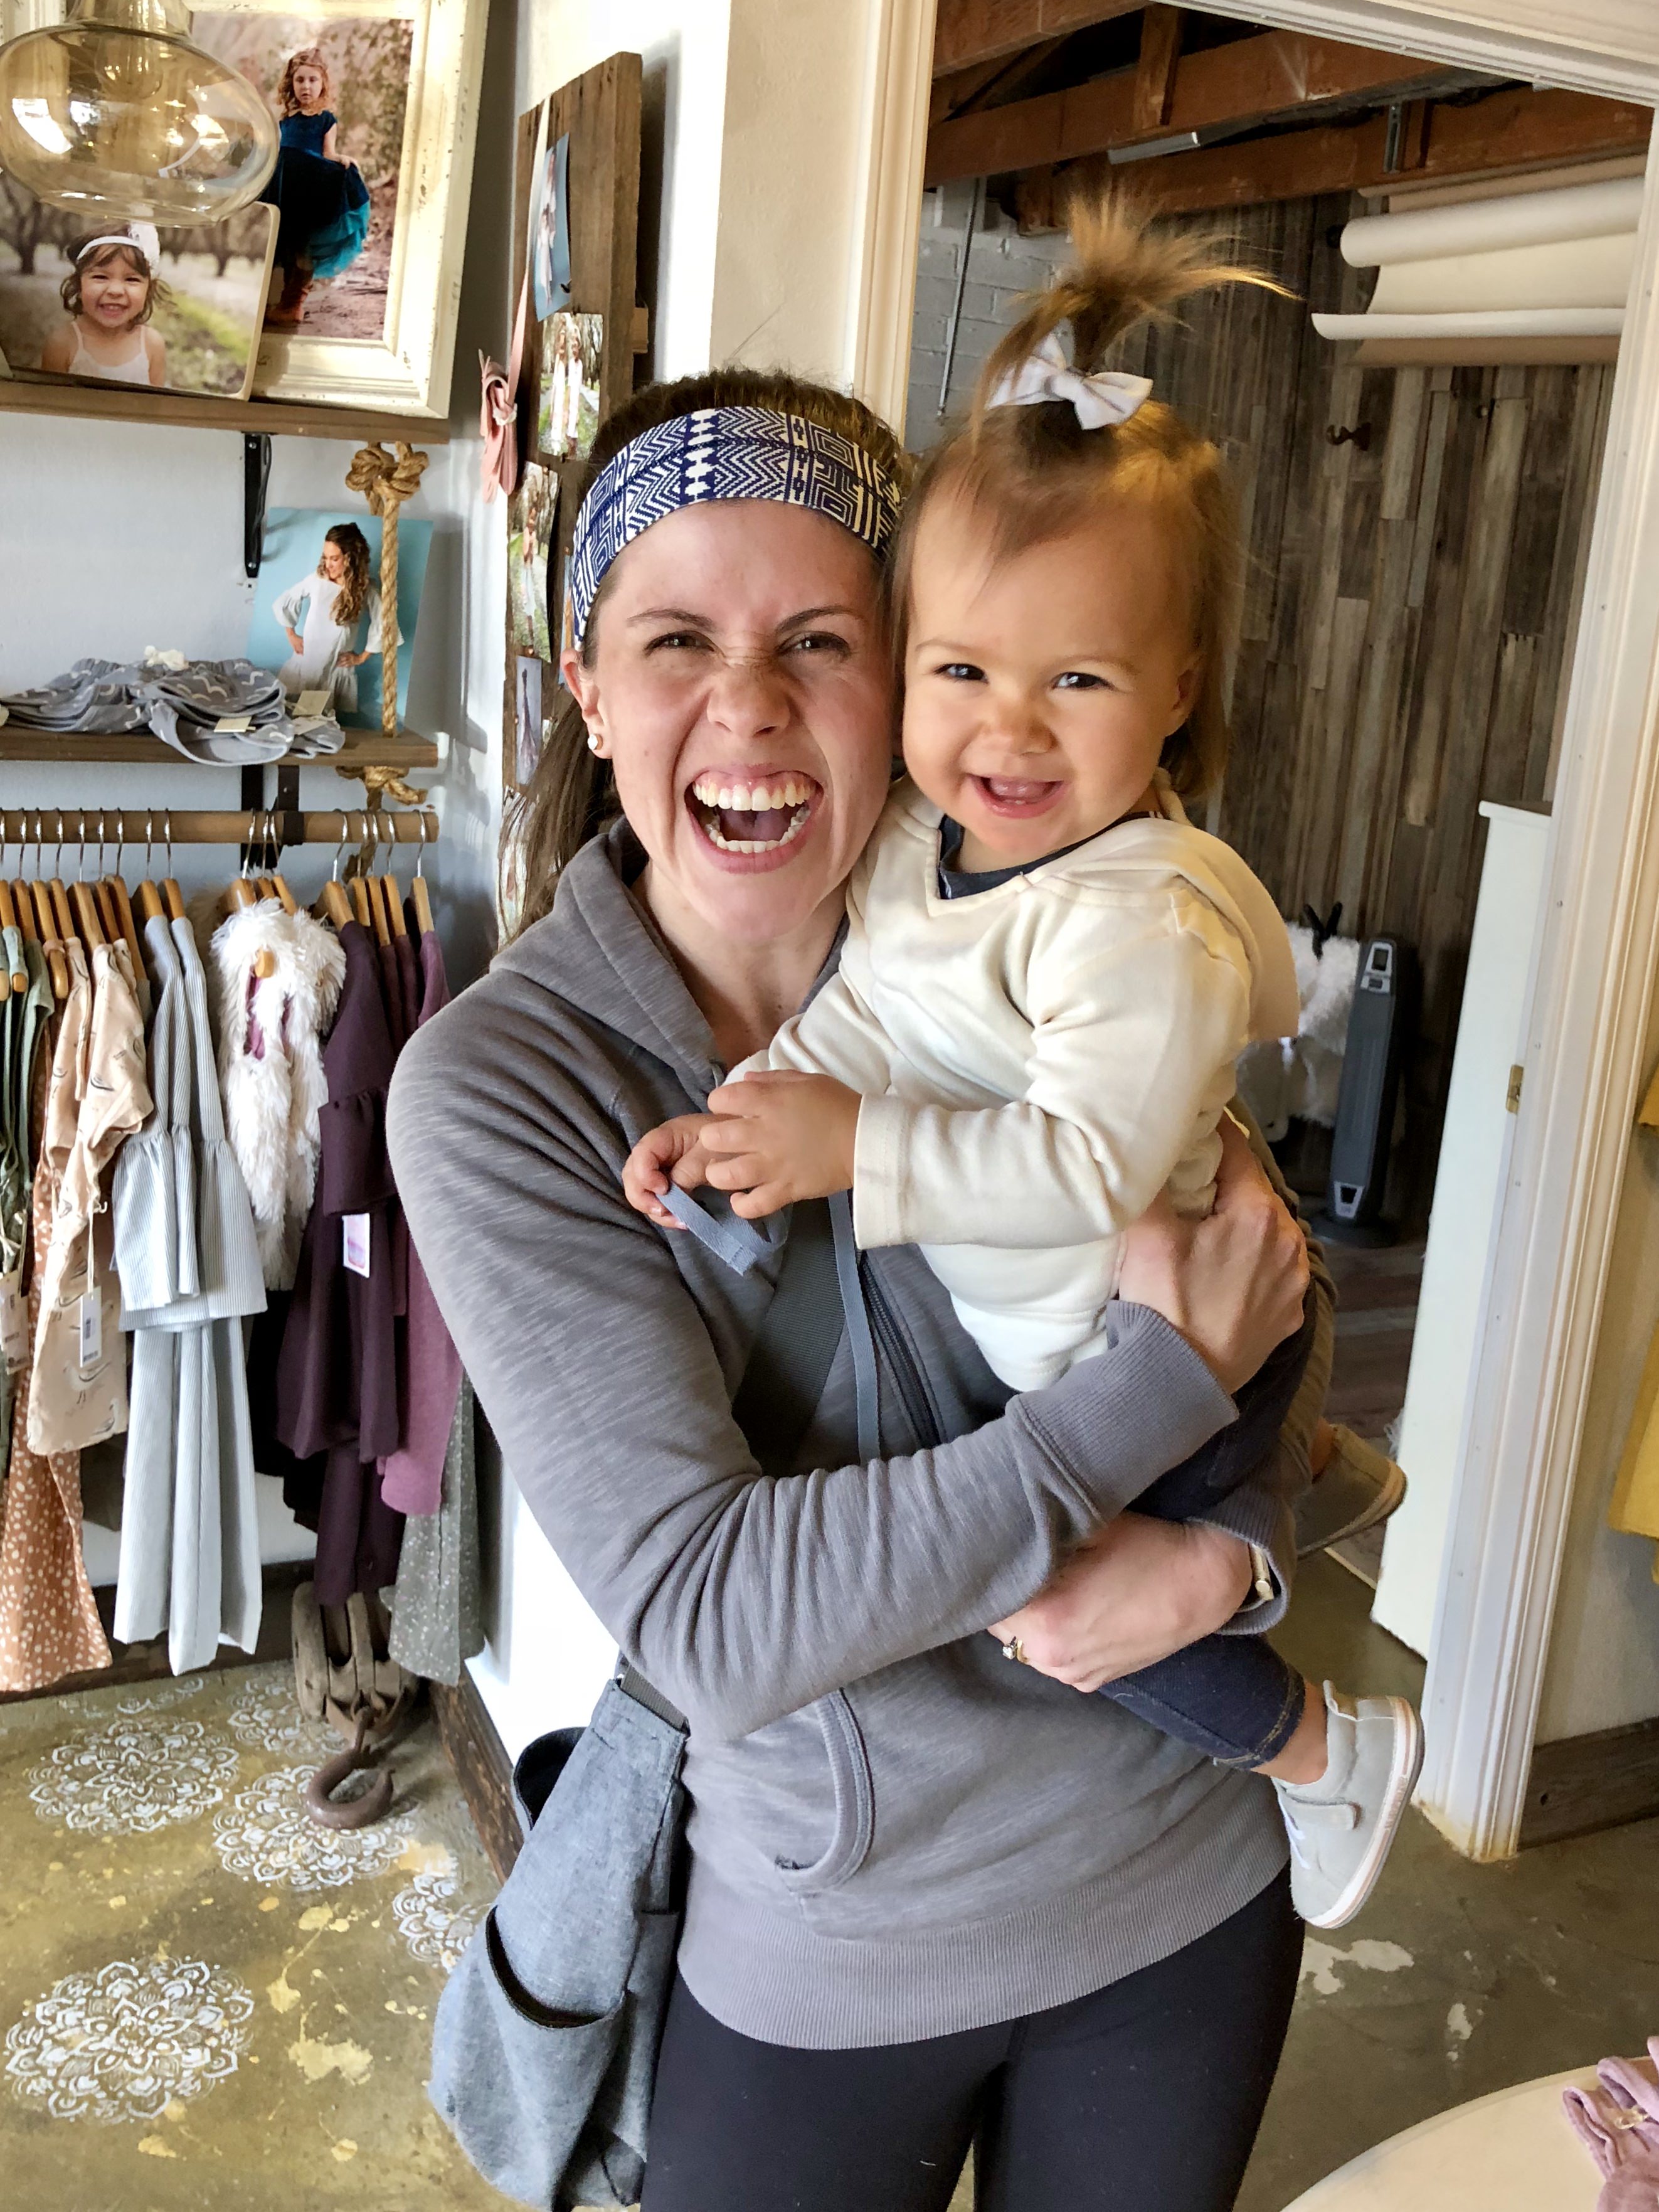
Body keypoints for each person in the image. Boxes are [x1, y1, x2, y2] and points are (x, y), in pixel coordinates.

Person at [390, 366, 1325, 2212]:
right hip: (830, 1943)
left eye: (820, 636)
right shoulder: (507, 1085)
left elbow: (1257, 1312)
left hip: (1181, 1883)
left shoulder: (1050, 923)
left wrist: (1233, 1569)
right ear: (583, 680)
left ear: (898, 669)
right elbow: (719, 1615)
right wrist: (1134, 1402)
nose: (746, 706)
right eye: (673, 638)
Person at [623, 205, 1422, 1930]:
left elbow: (1082, 1166)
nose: (1010, 728)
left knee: (1055, 1617)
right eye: (962, 670)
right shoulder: (919, 849)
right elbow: (873, 1014)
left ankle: (1318, 1748)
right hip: (1095, 1359)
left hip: (1151, 1371)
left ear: (1175, 689)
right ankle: (1312, 1487)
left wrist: (858, 1152)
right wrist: (751, 1103)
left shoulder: (1135, 917)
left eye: (1078, 678)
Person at [260, 45, 369, 331]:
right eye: (300, 80)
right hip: (284, 186)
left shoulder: (326, 120)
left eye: (312, 80)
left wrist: (343, 160)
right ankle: (281, 302)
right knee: (284, 244)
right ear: (291, 84)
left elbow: (328, 154)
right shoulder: (285, 120)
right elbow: (276, 149)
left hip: (309, 189)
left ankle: (293, 304)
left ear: (323, 85)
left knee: (302, 247)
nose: (306, 86)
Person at [273, 522, 380, 714]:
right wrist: (291, 634)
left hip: (333, 668)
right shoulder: (318, 579)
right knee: (289, 713)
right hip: (306, 663)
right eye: (325, 557)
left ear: (350, 558)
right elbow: (286, 600)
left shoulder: (365, 591)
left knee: (318, 720)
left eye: (334, 559)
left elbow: (384, 624)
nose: (328, 564)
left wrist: (361, 657)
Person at [41, 226, 167, 388]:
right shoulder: (63, 344)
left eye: (131, 280)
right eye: (100, 277)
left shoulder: (152, 344)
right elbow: (49, 406)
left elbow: (156, 407)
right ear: (78, 285)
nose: (115, 291)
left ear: (148, 289)